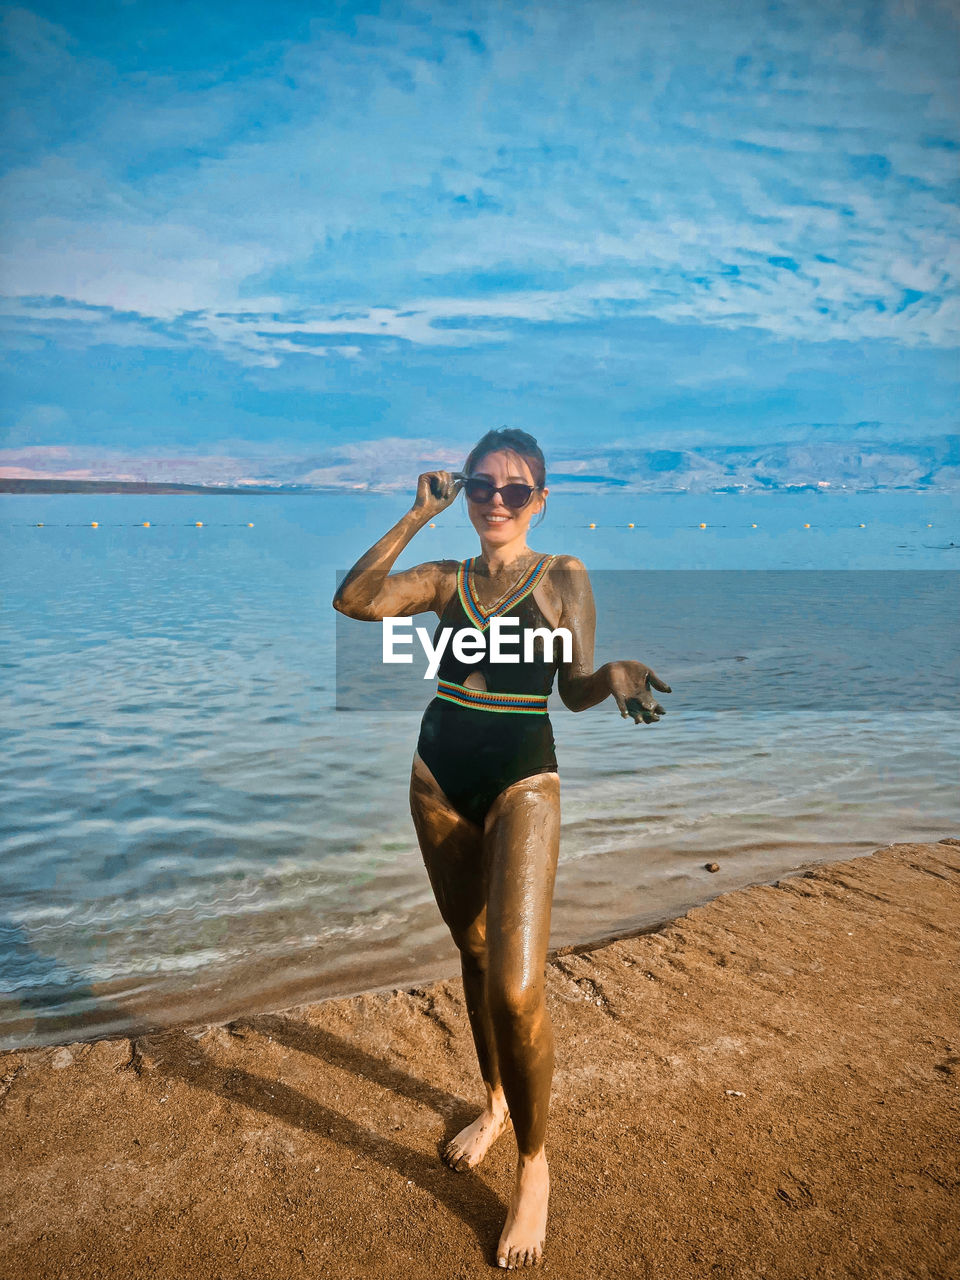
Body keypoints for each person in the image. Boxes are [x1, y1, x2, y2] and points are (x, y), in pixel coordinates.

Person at [332, 428, 670, 1269]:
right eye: (482, 486)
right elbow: (355, 600)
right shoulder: (446, 581)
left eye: (515, 490)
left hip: (525, 776)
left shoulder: (563, 577)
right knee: (475, 954)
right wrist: (416, 514)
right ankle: (494, 1103)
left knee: (518, 991)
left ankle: (535, 1167)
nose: (495, 501)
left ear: (540, 502)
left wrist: (615, 675)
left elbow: (575, 686)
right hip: (437, 777)